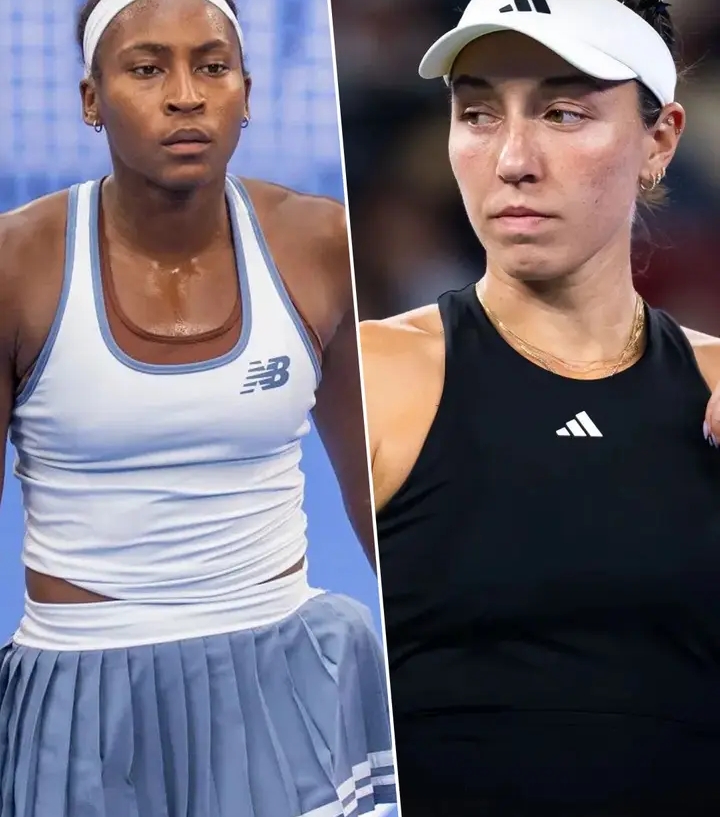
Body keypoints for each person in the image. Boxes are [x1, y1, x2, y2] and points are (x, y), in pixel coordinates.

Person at [0, 1, 396, 815]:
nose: (186, 95)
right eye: (148, 69)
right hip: (82, 700)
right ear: (90, 98)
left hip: (295, 685)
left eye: (212, 67)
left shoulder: (322, 244)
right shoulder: (15, 266)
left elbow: (383, 499)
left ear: (247, 92)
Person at [361, 0, 720, 814]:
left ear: (659, 141)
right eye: (478, 113)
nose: (513, 159)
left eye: (563, 113)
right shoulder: (369, 382)